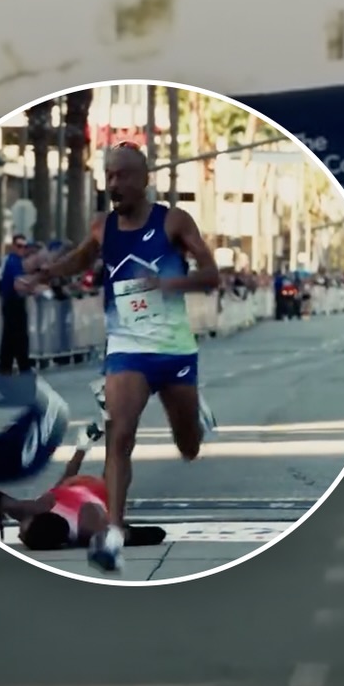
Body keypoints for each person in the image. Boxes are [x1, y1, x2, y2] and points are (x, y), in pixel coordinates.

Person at [25, 143, 218, 573]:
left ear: (144, 179)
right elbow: (78, 260)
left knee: (189, 447)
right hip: (126, 348)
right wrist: (44, 275)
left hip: (173, 349)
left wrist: (167, 284)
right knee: (119, 434)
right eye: (109, 176)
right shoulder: (102, 227)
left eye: (123, 176)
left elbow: (211, 274)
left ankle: (196, 416)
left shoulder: (174, 221)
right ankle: (114, 532)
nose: (114, 184)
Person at [0, 427, 165, 555]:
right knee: (114, 470)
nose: (18, 535)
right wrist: (124, 532)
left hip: (70, 489)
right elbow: (155, 534)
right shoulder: (89, 528)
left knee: (63, 487)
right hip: (95, 493)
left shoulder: (32, 509)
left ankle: (85, 445)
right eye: (23, 534)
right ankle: (107, 432)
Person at [0, 233, 35, 373]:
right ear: (13, 246)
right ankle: (19, 366)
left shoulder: (20, 262)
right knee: (16, 335)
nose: (22, 249)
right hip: (11, 302)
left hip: (18, 301)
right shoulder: (12, 261)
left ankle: (7, 366)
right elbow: (18, 284)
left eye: (25, 247)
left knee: (13, 335)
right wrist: (32, 286)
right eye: (19, 246)